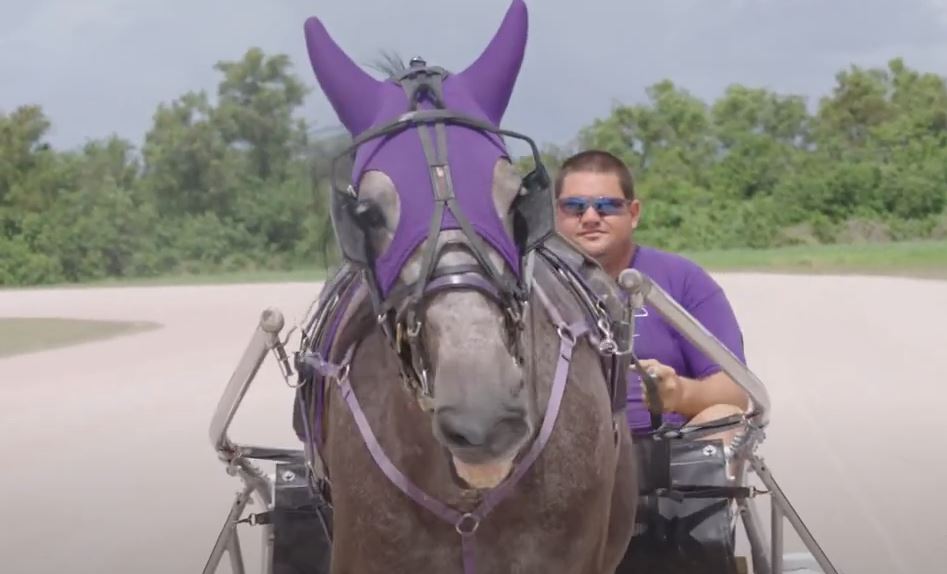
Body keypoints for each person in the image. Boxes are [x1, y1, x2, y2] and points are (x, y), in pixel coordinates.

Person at [553, 149, 749, 440]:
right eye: (575, 206)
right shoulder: (530, 285)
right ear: (557, 215)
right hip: (562, 455)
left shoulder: (683, 279)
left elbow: (735, 392)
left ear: (633, 214)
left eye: (607, 205)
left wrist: (679, 393)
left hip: (664, 453)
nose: (591, 217)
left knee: (724, 418)